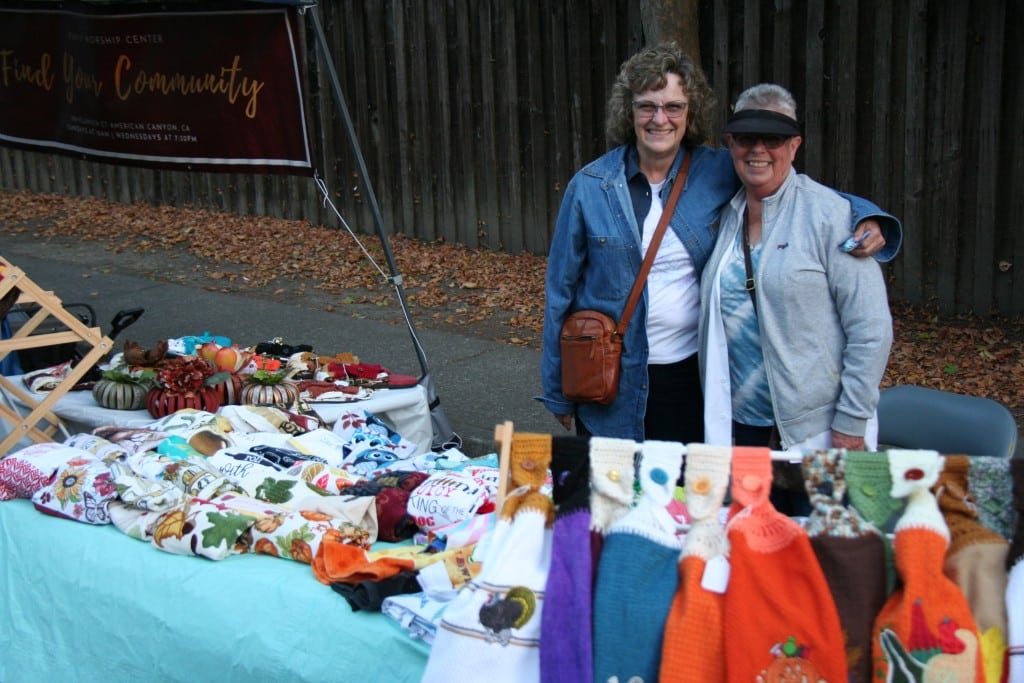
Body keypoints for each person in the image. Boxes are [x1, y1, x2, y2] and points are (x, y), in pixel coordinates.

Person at [539, 42, 899, 447]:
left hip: (690, 378)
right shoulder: (590, 187)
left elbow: (791, 184)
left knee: (682, 497)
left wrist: (864, 214)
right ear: (629, 110)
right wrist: (557, 388)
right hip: (607, 379)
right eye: (647, 106)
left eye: (674, 106)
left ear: (690, 114)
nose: (661, 119)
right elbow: (560, 292)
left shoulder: (716, 170)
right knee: (613, 496)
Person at [699, 83, 894, 509]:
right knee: (753, 545)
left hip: (817, 430)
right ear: (730, 143)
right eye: (747, 138)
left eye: (773, 139)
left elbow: (871, 329)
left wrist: (851, 422)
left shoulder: (833, 216)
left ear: (795, 144)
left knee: (824, 548)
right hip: (740, 427)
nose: (759, 150)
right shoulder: (724, 216)